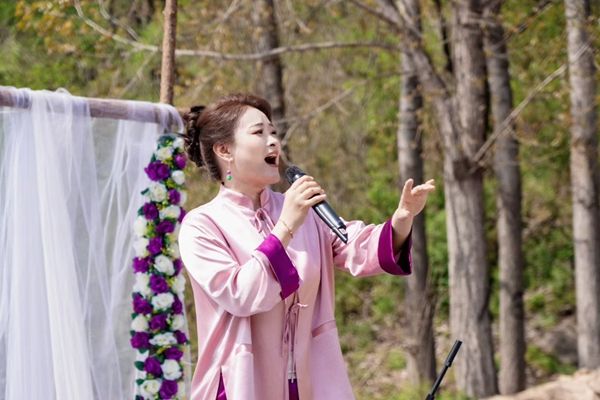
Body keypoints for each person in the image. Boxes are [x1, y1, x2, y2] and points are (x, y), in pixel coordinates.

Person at [178, 93, 435, 400]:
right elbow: (241, 295)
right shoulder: (202, 225)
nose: (273, 142)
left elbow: (354, 245)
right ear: (224, 150)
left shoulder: (304, 210)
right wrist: (285, 227)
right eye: (259, 133)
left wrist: (402, 218)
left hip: (310, 380)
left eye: (274, 132)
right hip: (241, 385)